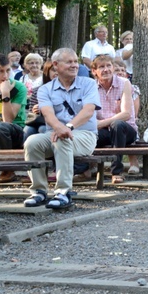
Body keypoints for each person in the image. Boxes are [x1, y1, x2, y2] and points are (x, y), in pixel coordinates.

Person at [23, 48, 100, 209]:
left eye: (75, 62)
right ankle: (39, 191)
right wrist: (59, 128)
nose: (74, 65)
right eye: (69, 62)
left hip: (85, 135)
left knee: (63, 138)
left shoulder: (89, 83)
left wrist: (68, 127)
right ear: (56, 65)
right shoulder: (45, 89)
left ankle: (63, 192)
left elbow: (88, 111)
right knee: (31, 142)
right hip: (54, 133)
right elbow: (47, 113)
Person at [92, 55, 139, 184]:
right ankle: (83, 170)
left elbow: (126, 114)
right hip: (104, 131)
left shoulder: (124, 83)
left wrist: (102, 123)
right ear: (94, 71)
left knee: (117, 124)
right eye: (101, 67)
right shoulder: (91, 87)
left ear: (113, 68)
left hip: (125, 130)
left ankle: (117, 172)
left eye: (108, 66)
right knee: (88, 133)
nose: (106, 69)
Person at [0, 53, 28, 182]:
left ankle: (8, 169)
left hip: (15, 131)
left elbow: (8, 121)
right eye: (0, 71)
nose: (5, 76)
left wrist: (5, 94)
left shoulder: (18, 87)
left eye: (8, 70)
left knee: (0, 127)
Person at [23, 60, 57, 140]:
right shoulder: (38, 90)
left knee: (42, 129)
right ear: (47, 72)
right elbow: (31, 115)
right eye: (53, 70)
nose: (56, 73)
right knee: (28, 130)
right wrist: (35, 109)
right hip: (39, 121)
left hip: (55, 122)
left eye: (58, 70)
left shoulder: (64, 89)